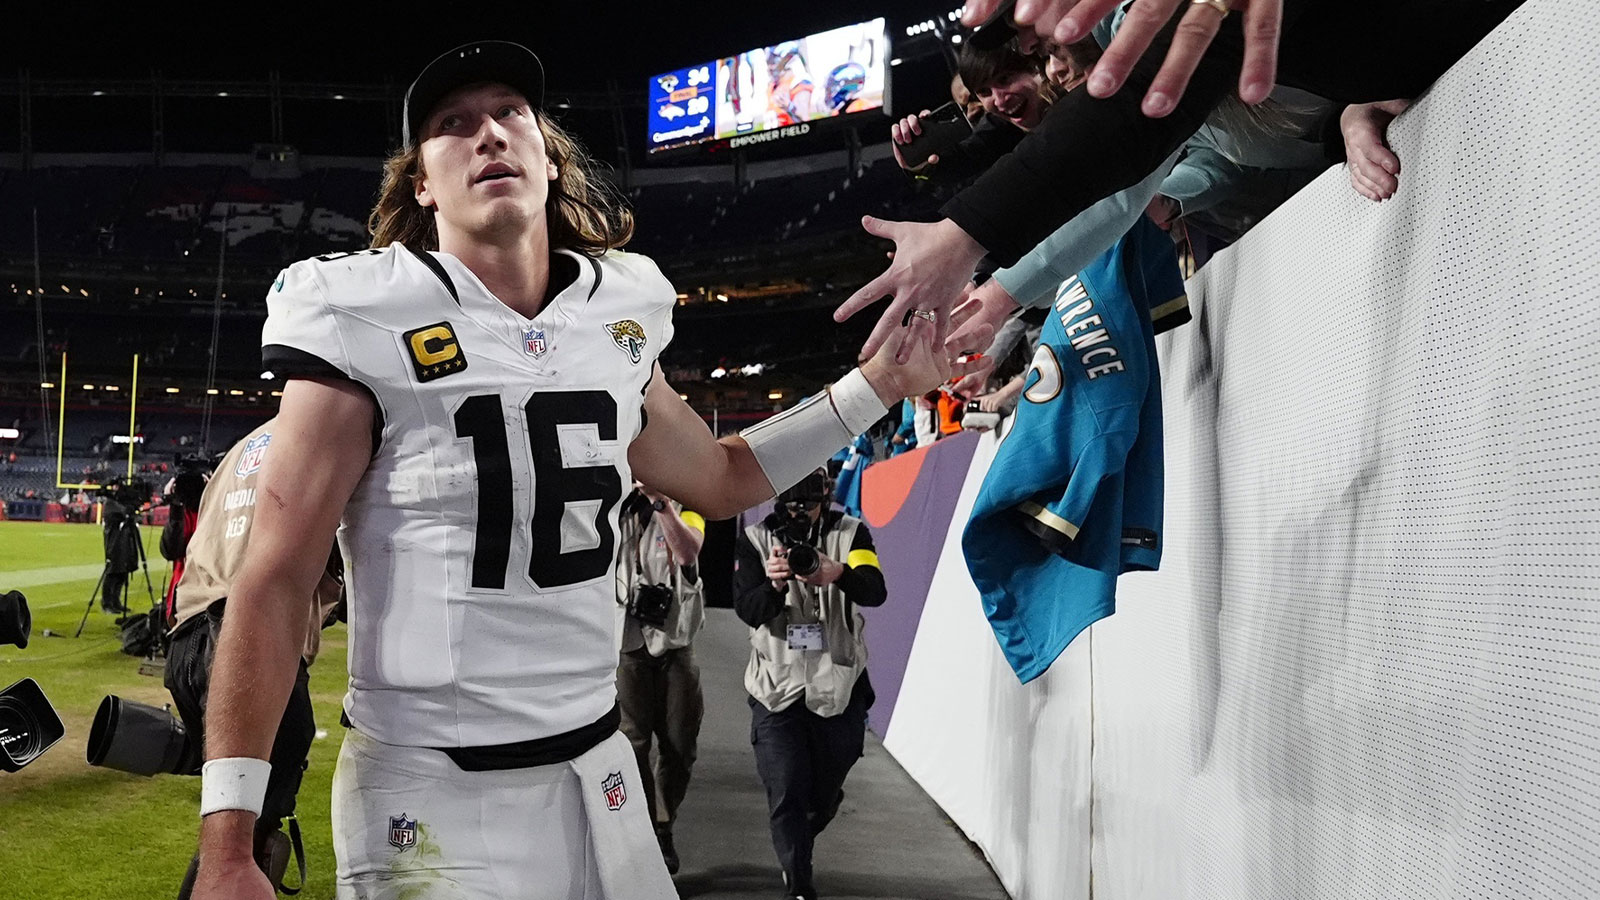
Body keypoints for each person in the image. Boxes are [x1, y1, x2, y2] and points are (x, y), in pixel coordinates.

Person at [192, 41, 951, 900]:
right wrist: (229, 843)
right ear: (421, 185)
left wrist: (878, 386)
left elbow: (722, 478)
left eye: (510, 114)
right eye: (453, 124)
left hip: (598, 771)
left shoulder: (615, 309)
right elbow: (275, 578)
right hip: (430, 788)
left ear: (550, 158)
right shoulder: (361, 312)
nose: (489, 134)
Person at [840, 0, 1523, 359]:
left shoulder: (1139, 39)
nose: (1047, 64)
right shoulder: (1129, 52)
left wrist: (983, 262)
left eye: (1038, 56)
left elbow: (1129, 136)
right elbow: (1161, 152)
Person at [165, 418, 343, 898]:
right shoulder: (329, 431)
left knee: (231, 830)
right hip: (247, 640)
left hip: (188, 640)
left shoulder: (240, 448)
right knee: (239, 847)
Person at [733, 469, 886, 900]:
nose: (802, 514)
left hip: (838, 684)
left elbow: (875, 590)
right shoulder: (755, 539)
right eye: (793, 505)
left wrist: (838, 573)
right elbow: (747, 609)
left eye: (811, 505)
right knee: (786, 786)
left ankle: (808, 823)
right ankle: (799, 884)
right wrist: (773, 585)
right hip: (776, 686)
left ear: (825, 498)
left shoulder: (852, 533)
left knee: (825, 786)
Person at [614, 482, 707, 876]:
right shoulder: (618, 507)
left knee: (680, 747)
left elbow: (688, 552)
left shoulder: (688, 505)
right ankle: (652, 830)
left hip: (675, 643)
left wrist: (662, 504)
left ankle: (663, 820)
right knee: (632, 744)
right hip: (628, 642)